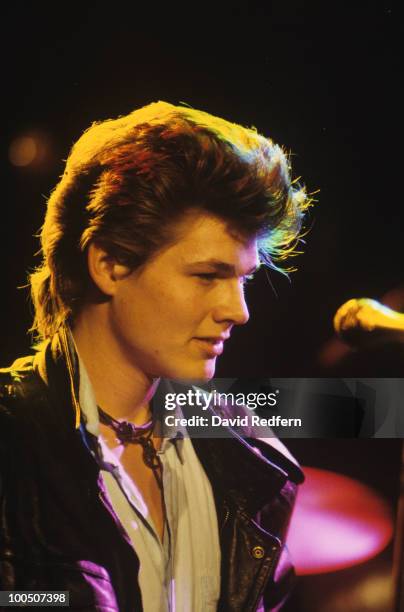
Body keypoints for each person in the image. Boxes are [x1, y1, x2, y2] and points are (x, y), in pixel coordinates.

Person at [0, 101, 310, 611]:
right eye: (208, 276)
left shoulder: (244, 448)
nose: (239, 311)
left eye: (244, 279)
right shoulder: (14, 442)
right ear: (110, 263)